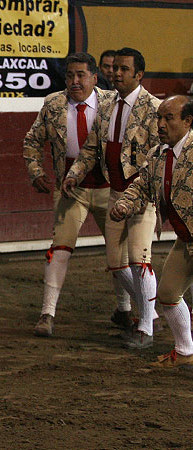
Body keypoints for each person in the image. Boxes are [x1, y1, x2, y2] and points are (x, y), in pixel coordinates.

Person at [64, 47, 162, 349]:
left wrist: (134, 197)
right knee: (117, 264)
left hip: (141, 195)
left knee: (139, 259)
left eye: (123, 69)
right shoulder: (107, 104)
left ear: (139, 74)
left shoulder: (154, 107)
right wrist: (75, 173)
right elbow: (93, 147)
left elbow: (156, 158)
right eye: (114, 68)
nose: (115, 73)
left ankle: (146, 326)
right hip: (115, 190)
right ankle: (150, 311)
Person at [23, 52, 127, 337]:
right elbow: (33, 140)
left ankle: (125, 309)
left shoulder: (113, 103)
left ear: (95, 77)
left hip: (110, 188)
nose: (74, 81)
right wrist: (36, 171)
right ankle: (47, 313)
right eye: (70, 75)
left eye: (81, 75)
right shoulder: (53, 103)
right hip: (72, 189)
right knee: (60, 247)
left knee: (118, 252)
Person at [110, 95, 193, 367]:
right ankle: (184, 352)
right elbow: (141, 185)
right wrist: (124, 204)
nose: (160, 124)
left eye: (169, 118)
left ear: (188, 121)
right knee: (168, 294)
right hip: (187, 239)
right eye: (159, 117)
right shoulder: (159, 153)